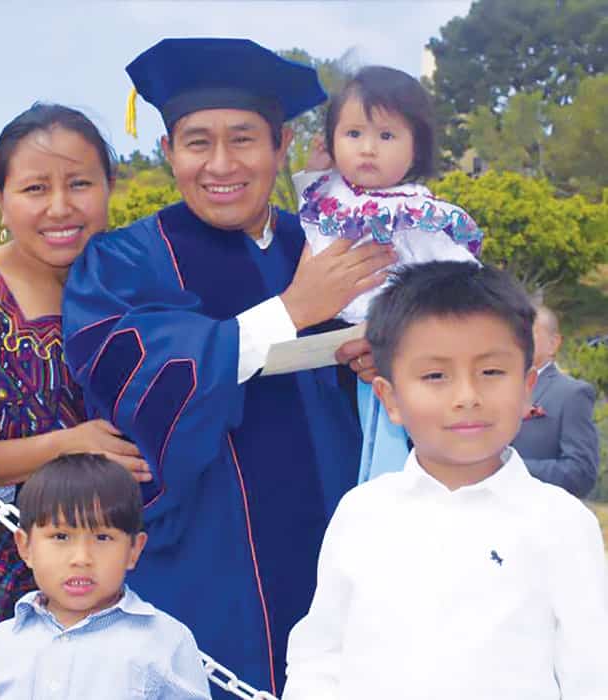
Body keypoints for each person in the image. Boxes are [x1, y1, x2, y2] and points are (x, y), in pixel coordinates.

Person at [63, 38, 394, 697]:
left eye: (243, 139)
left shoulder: (329, 248)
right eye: (196, 142)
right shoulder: (127, 261)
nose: (220, 164)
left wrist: (379, 360)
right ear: (167, 153)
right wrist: (292, 310)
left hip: (342, 557)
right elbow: (128, 374)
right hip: (201, 569)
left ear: (283, 146)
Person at [283, 261, 608, 700]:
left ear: (528, 387)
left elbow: (591, 672)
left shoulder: (562, 523)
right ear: (391, 398)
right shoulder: (362, 512)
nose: (466, 397)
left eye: (491, 372)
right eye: (435, 376)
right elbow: (320, 654)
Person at [0, 103, 149, 647]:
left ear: (110, 187)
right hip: (8, 589)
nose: (60, 207)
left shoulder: (139, 281)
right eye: (36, 189)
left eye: (80, 183)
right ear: (0, 199)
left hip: (135, 576)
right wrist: (65, 447)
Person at [293, 65, 484, 483]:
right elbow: (312, 221)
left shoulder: (417, 214)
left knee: (396, 459)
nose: (367, 149)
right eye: (353, 134)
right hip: (330, 349)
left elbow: (463, 288)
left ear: (416, 148)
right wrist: (314, 171)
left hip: (396, 350)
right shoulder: (331, 199)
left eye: (386, 136)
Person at [0, 453, 211, 699]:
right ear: (26, 547)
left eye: (103, 538)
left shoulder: (166, 642)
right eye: (61, 537)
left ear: (134, 550)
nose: (81, 558)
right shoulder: (0, 644)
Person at [512, 304, 599, 498]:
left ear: (554, 343)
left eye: (529, 332)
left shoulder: (571, 394)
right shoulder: (490, 388)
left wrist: (512, 469)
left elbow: (581, 472)